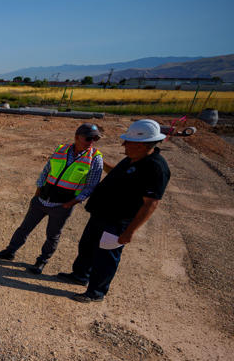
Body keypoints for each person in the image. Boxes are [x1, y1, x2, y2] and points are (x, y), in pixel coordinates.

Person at [58, 119, 171, 302]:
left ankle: (96, 292)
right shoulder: (132, 159)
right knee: (87, 246)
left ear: (143, 145)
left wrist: (130, 231)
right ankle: (79, 275)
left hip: (117, 221)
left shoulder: (155, 168)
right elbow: (116, 174)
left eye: (129, 142)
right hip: (100, 214)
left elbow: (150, 204)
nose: (123, 144)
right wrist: (98, 162)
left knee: (106, 258)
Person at [0, 124, 104, 274]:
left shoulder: (95, 158)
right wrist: (37, 193)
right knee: (24, 228)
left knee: (52, 236)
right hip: (42, 199)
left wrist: (70, 204)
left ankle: (41, 261)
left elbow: (91, 186)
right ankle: (9, 252)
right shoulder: (61, 149)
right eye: (88, 138)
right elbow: (46, 171)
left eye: (95, 138)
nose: (91, 142)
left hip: (62, 206)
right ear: (77, 137)